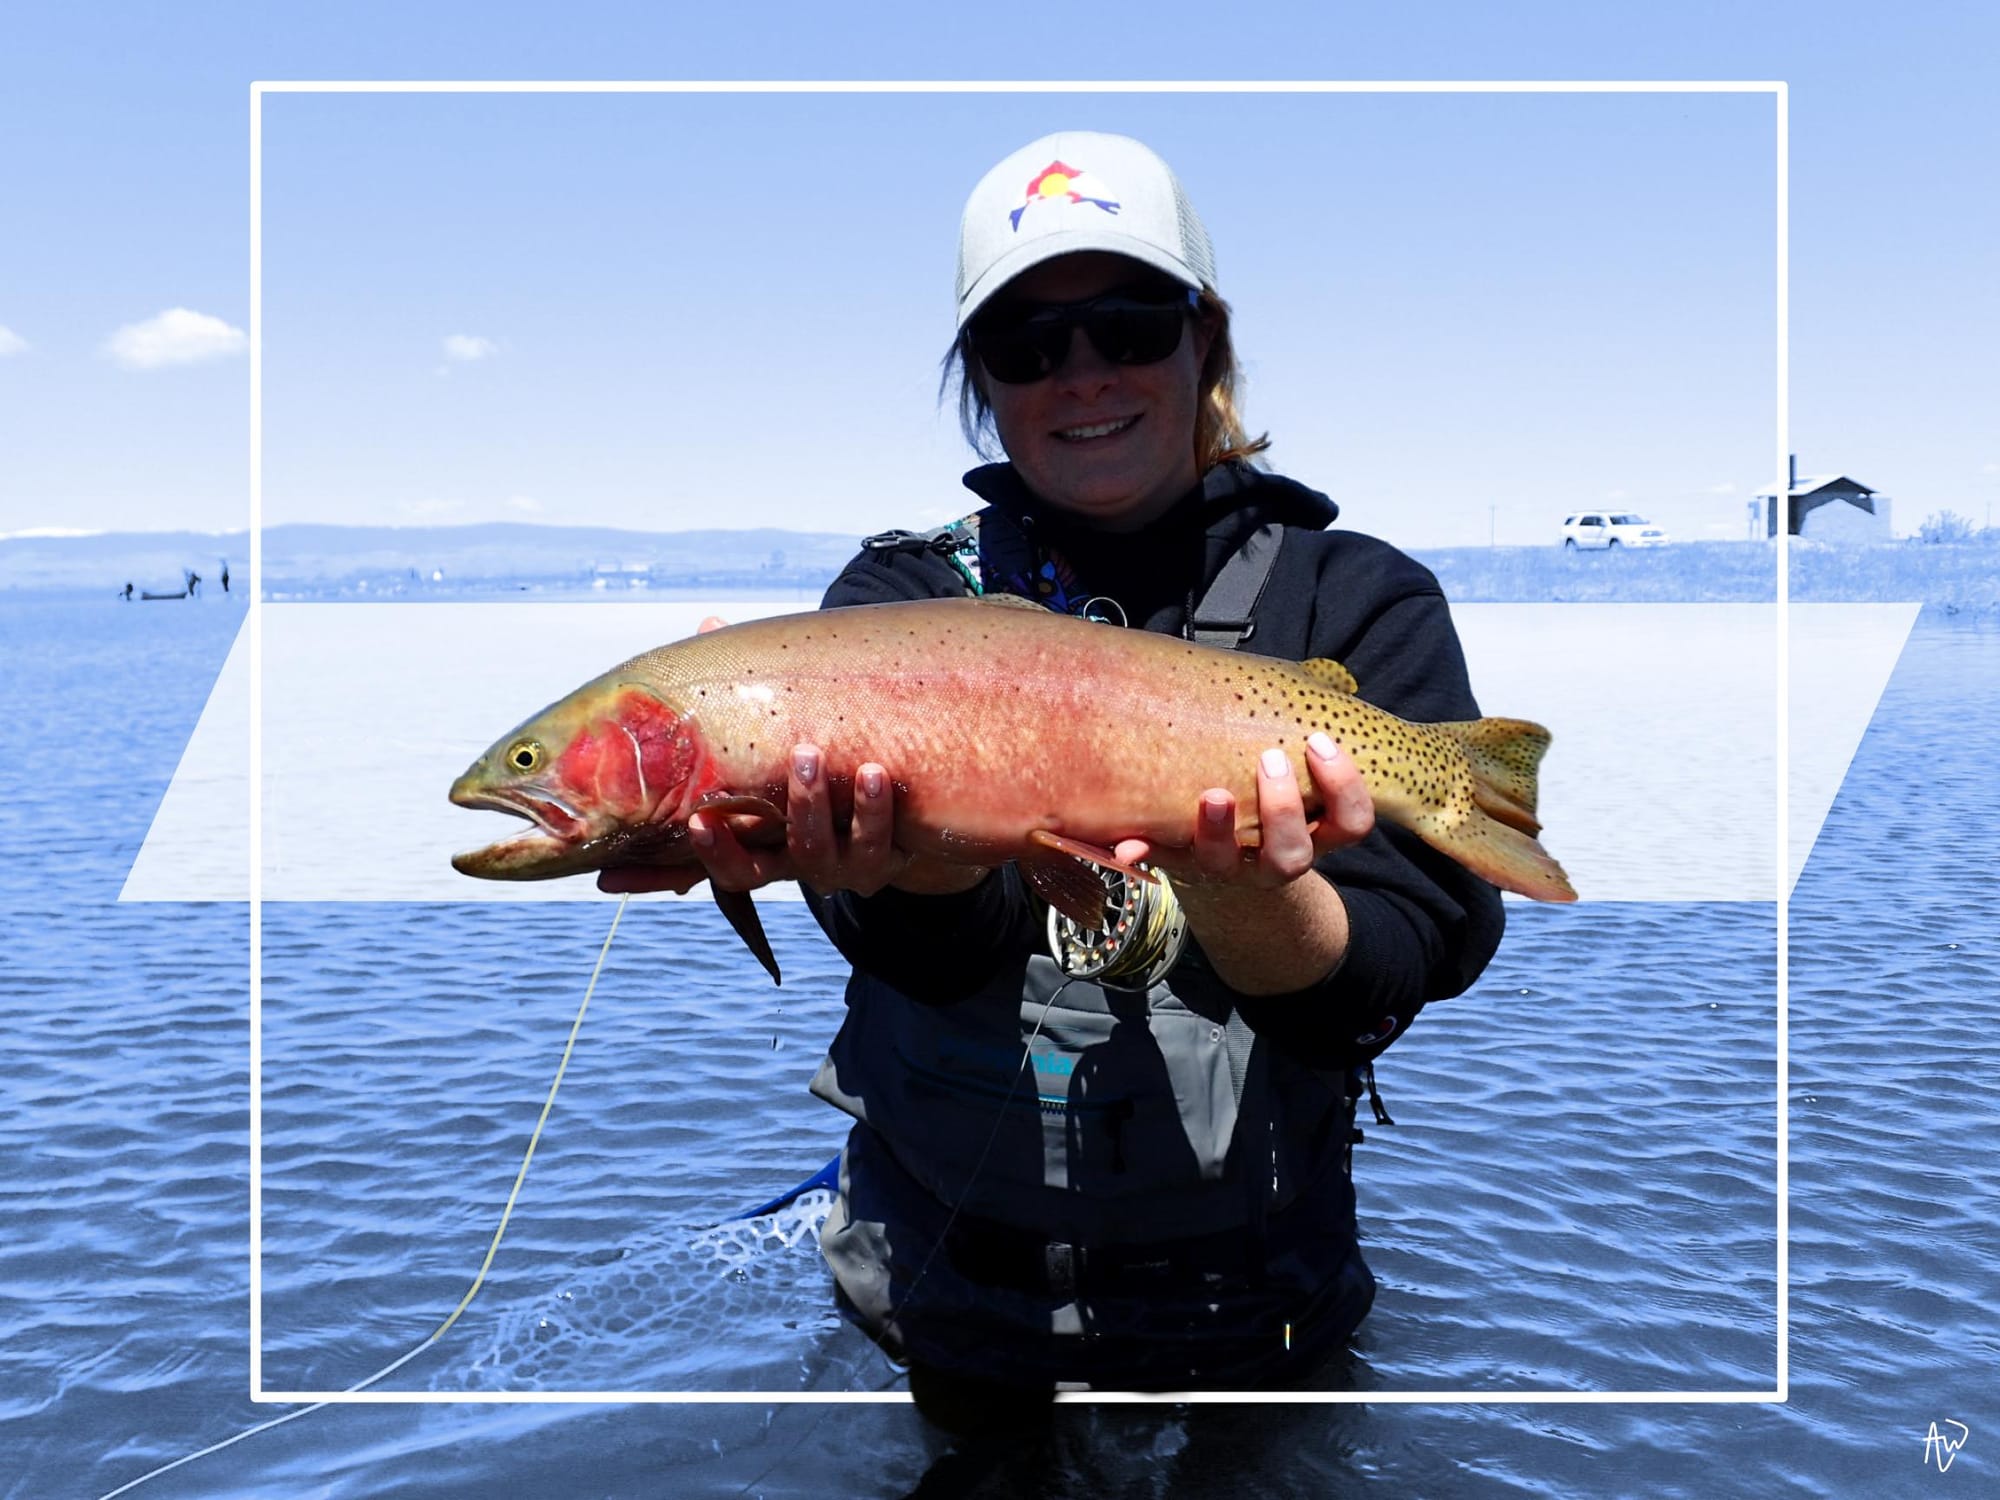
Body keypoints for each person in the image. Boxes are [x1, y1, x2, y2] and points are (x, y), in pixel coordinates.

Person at [605, 132, 1504, 1416]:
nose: (1081, 372)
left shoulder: (1356, 598)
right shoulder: (893, 609)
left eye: (1129, 324)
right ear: (978, 377)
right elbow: (912, 955)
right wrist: (915, 873)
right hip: (949, 1300)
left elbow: (1396, 978)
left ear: (1205, 341)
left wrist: (1242, 885)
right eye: (1023, 345)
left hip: (1261, 1306)